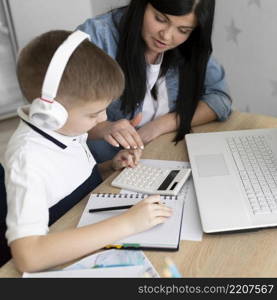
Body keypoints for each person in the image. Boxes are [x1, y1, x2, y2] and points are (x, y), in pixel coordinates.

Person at [1, 30, 172, 272]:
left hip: (84, 219)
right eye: (93, 114)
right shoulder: (27, 159)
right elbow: (28, 256)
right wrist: (128, 223)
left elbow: (69, 185)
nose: (103, 118)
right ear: (51, 113)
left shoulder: (66, 130)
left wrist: (108, 168)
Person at [78, 0, 232, 163]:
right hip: (104, 167)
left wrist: (160, 126)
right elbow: (63, 116)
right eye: (160, 19)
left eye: (183, 30)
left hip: (164, 150)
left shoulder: (191, 45)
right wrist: (104, 128)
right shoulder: (95, 37)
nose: (166, 36)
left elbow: (219, 98)